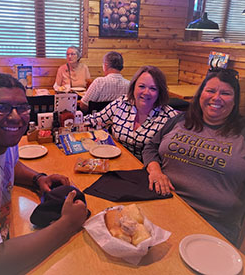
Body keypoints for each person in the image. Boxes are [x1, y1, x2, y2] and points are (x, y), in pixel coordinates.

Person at [0, 73, 88, 275]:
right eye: (0, 108)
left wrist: (37, 178)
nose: (15, 116)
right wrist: (67, 224)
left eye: (21, 108)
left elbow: (10, 165)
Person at [142, 68, 245, 246]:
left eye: (226, 93)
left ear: (235, 100)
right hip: (159, 203)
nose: (216, 97)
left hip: (213, 224)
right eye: (211, 90)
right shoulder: (179, 120)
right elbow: (151, 146)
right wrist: (155, 171)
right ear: (201, 94)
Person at [84, 65, 178, 161]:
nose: (146, 92)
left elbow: (172, 156)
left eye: (153, 88)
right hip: (116, 162)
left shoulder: (169, 117)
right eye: (141, 86)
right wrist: (72, 119)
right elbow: (96, 119)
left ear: (160, 92)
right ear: (133, 87)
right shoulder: (122, 103)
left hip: (147, 170)